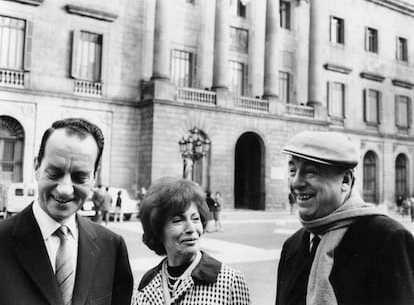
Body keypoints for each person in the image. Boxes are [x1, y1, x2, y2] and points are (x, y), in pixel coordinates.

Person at [0, 118, 133, 305]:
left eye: (80, 177)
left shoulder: (112, 247)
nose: (65, 189)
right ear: (37, 167)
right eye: (54, 173)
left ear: (94, 177)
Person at [276, 130, 414, 305]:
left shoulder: (387, 239)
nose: (296, 182)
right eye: (293, 170)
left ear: (345, 181)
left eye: (310, 172)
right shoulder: (292, 246)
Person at [131, 177, 250, 305]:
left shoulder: (229, 281)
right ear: (158, 231)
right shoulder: (143, 288)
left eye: (195, 218)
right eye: (178, 220)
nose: (191, 228)